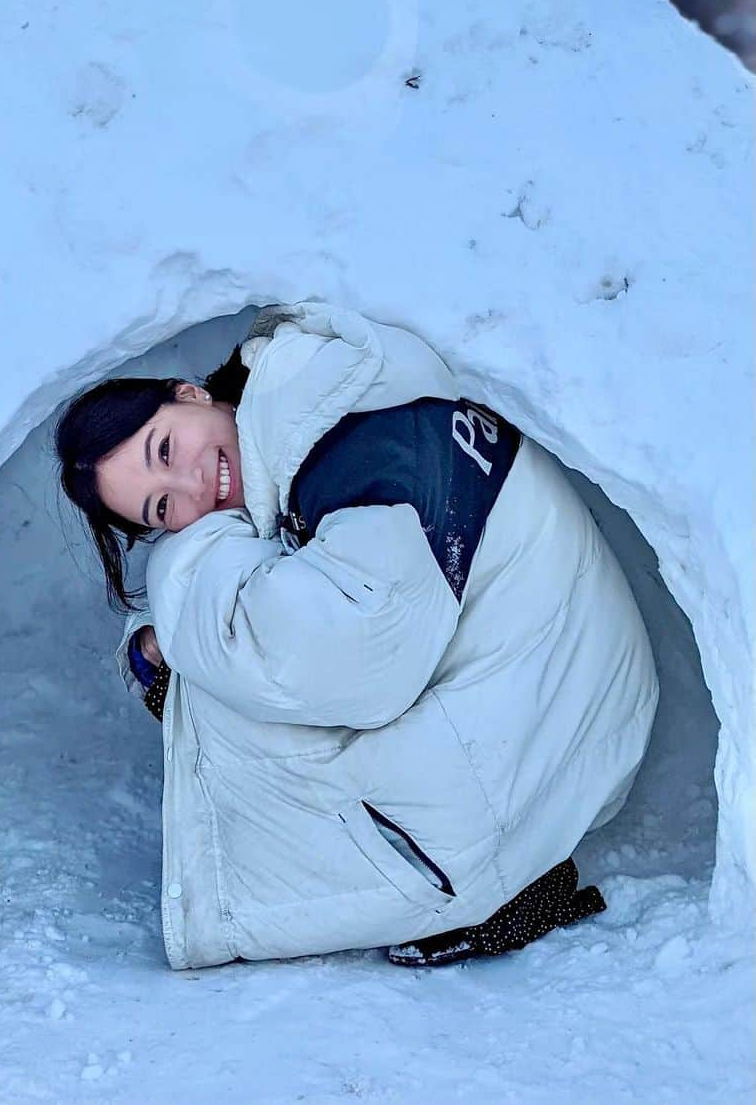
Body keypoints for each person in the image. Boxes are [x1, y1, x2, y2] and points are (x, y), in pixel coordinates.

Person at [55, 301, 658, 970]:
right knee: (226, 656)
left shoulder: (334, 430)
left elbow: (335, 662)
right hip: (573, 709)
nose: (193, 487)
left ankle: (498, 886)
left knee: (233, 692)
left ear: (190, 393)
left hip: (542, 731)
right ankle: (506, 864)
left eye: (165, 449)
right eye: (162, 509)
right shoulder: (305, 402)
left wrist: (181, 576)